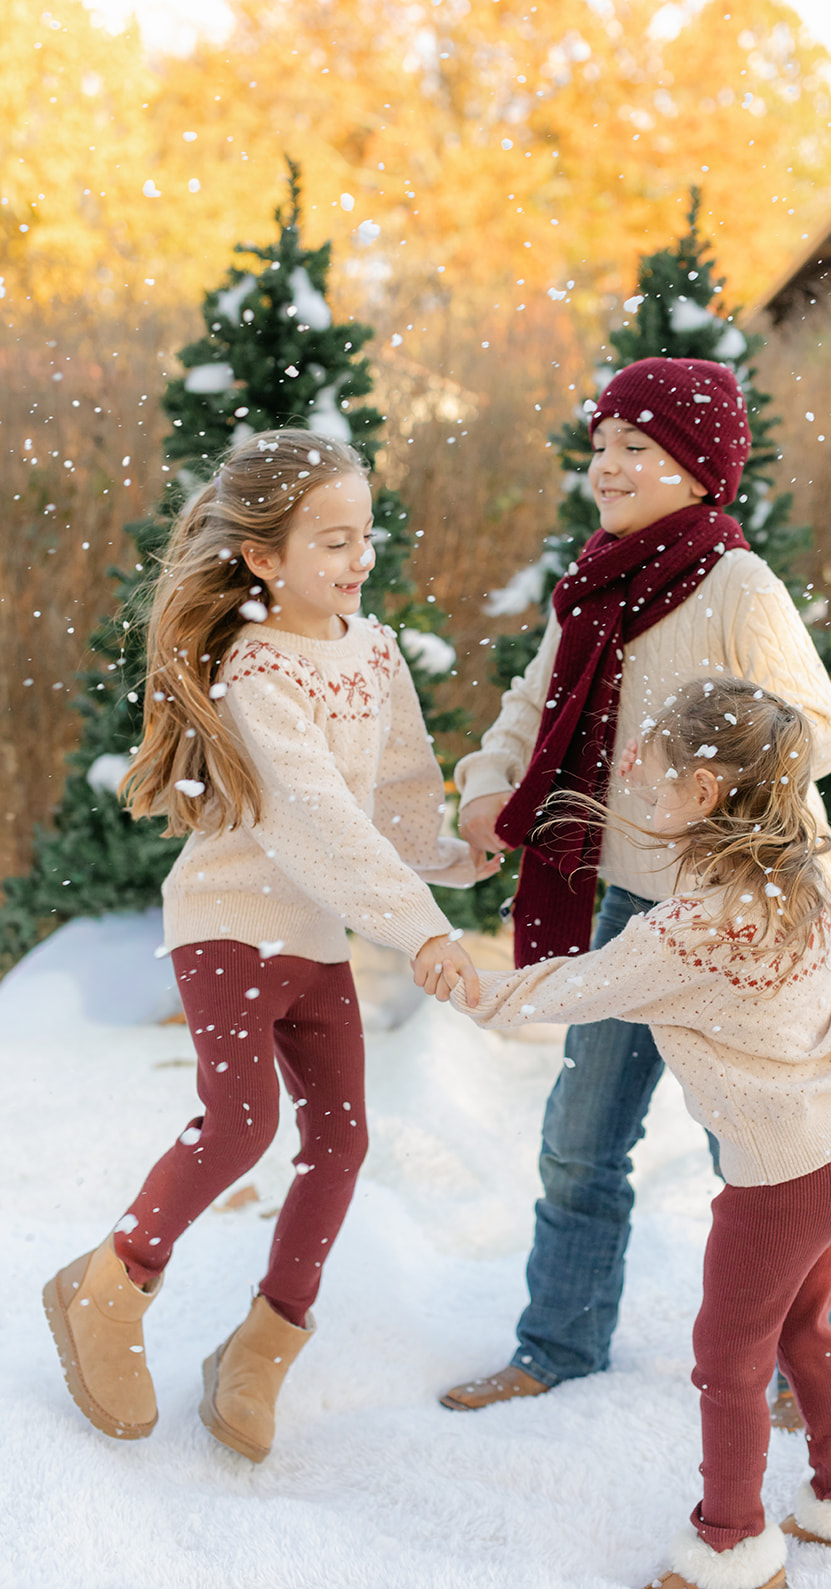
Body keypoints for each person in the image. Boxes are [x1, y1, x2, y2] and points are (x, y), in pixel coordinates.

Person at [42, 427, 497, 1461]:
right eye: (331, 542)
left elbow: (392, 797)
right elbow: (321, 827)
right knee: (243, 1122)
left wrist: (456, 856)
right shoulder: (256, 670)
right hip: (230, 923)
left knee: (341, 1139)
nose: (358, 560)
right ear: (261, 558)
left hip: (313, 936)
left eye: (364, 536)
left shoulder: (372, 651)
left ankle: (260, 1346)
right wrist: (421, 933)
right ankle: (106, 1286)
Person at [419, 679, 831, 1589]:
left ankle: (729, 1553)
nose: (635, 766)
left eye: (658, 763)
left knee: (728, 1360)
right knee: (802, 1326)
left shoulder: (692, 930)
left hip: (781, 1177)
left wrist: (463, 980)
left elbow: (568, 991)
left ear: (711, 791)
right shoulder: (789, 869)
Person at [445, 356, 831, 1416]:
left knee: (768, 1153)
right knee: (580, 1142)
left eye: (635, 448)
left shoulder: (735, 586)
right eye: (599, 447)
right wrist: (490, 786)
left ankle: (814, 1362)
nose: (607, 467)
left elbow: (815, 730)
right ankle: (557, 1342)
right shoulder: (591, 582)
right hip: (627, 902)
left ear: (696, 465)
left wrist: (720, 768)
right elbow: (530, 704)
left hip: (730, 917)